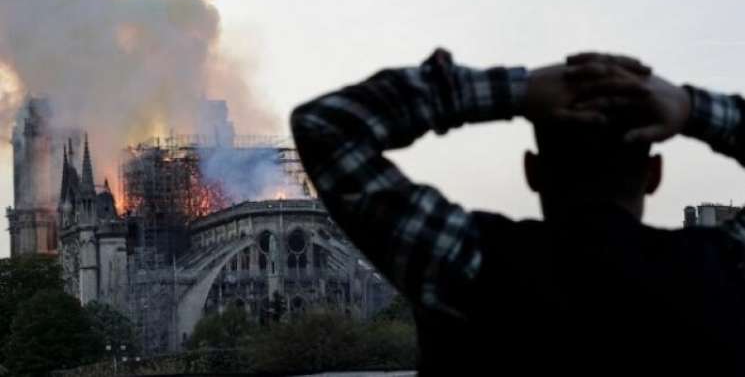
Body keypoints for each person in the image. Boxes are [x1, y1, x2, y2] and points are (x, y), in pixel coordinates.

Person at [290, 49, 745, 375]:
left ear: (532, 170)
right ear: (654, 174)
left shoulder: (467, 261)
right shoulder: (725, 270)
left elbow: (327, 125)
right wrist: (690, 108)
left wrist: (516, 90)